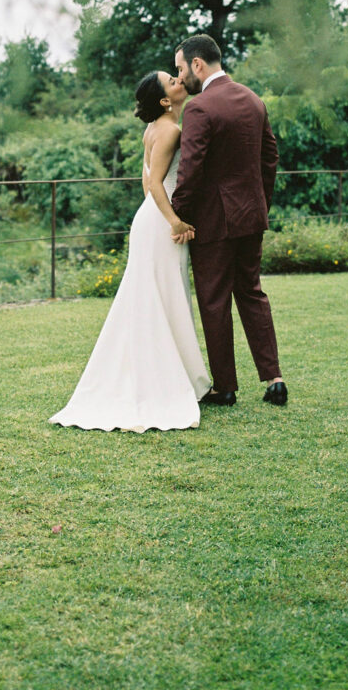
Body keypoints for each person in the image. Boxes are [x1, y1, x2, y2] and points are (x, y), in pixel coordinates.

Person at [49, 70, 211, 432]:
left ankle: (177, 372)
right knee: (163, 297)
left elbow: (145, 181)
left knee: (159, 296)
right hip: (161, 221)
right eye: (172, 81)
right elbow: (155, 182)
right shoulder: (169, 129)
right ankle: (164, 381)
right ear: (166, 100)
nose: (179, 81)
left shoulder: (152, 128)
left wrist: (158, 216)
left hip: (149, 219)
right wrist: (174, 221)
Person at [172, 34, 287, 407]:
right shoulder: (254, 100)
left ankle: (226, 387)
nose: (181, 77)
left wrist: (178, 215)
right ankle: (274, 378)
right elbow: (270, 158)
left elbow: (189, 172)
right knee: (252, 292)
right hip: (252, 217)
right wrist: (259, 204)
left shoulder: (200, 108)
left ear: (198, 65)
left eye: (181, 69)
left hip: (214, 223)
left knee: (214, 300)